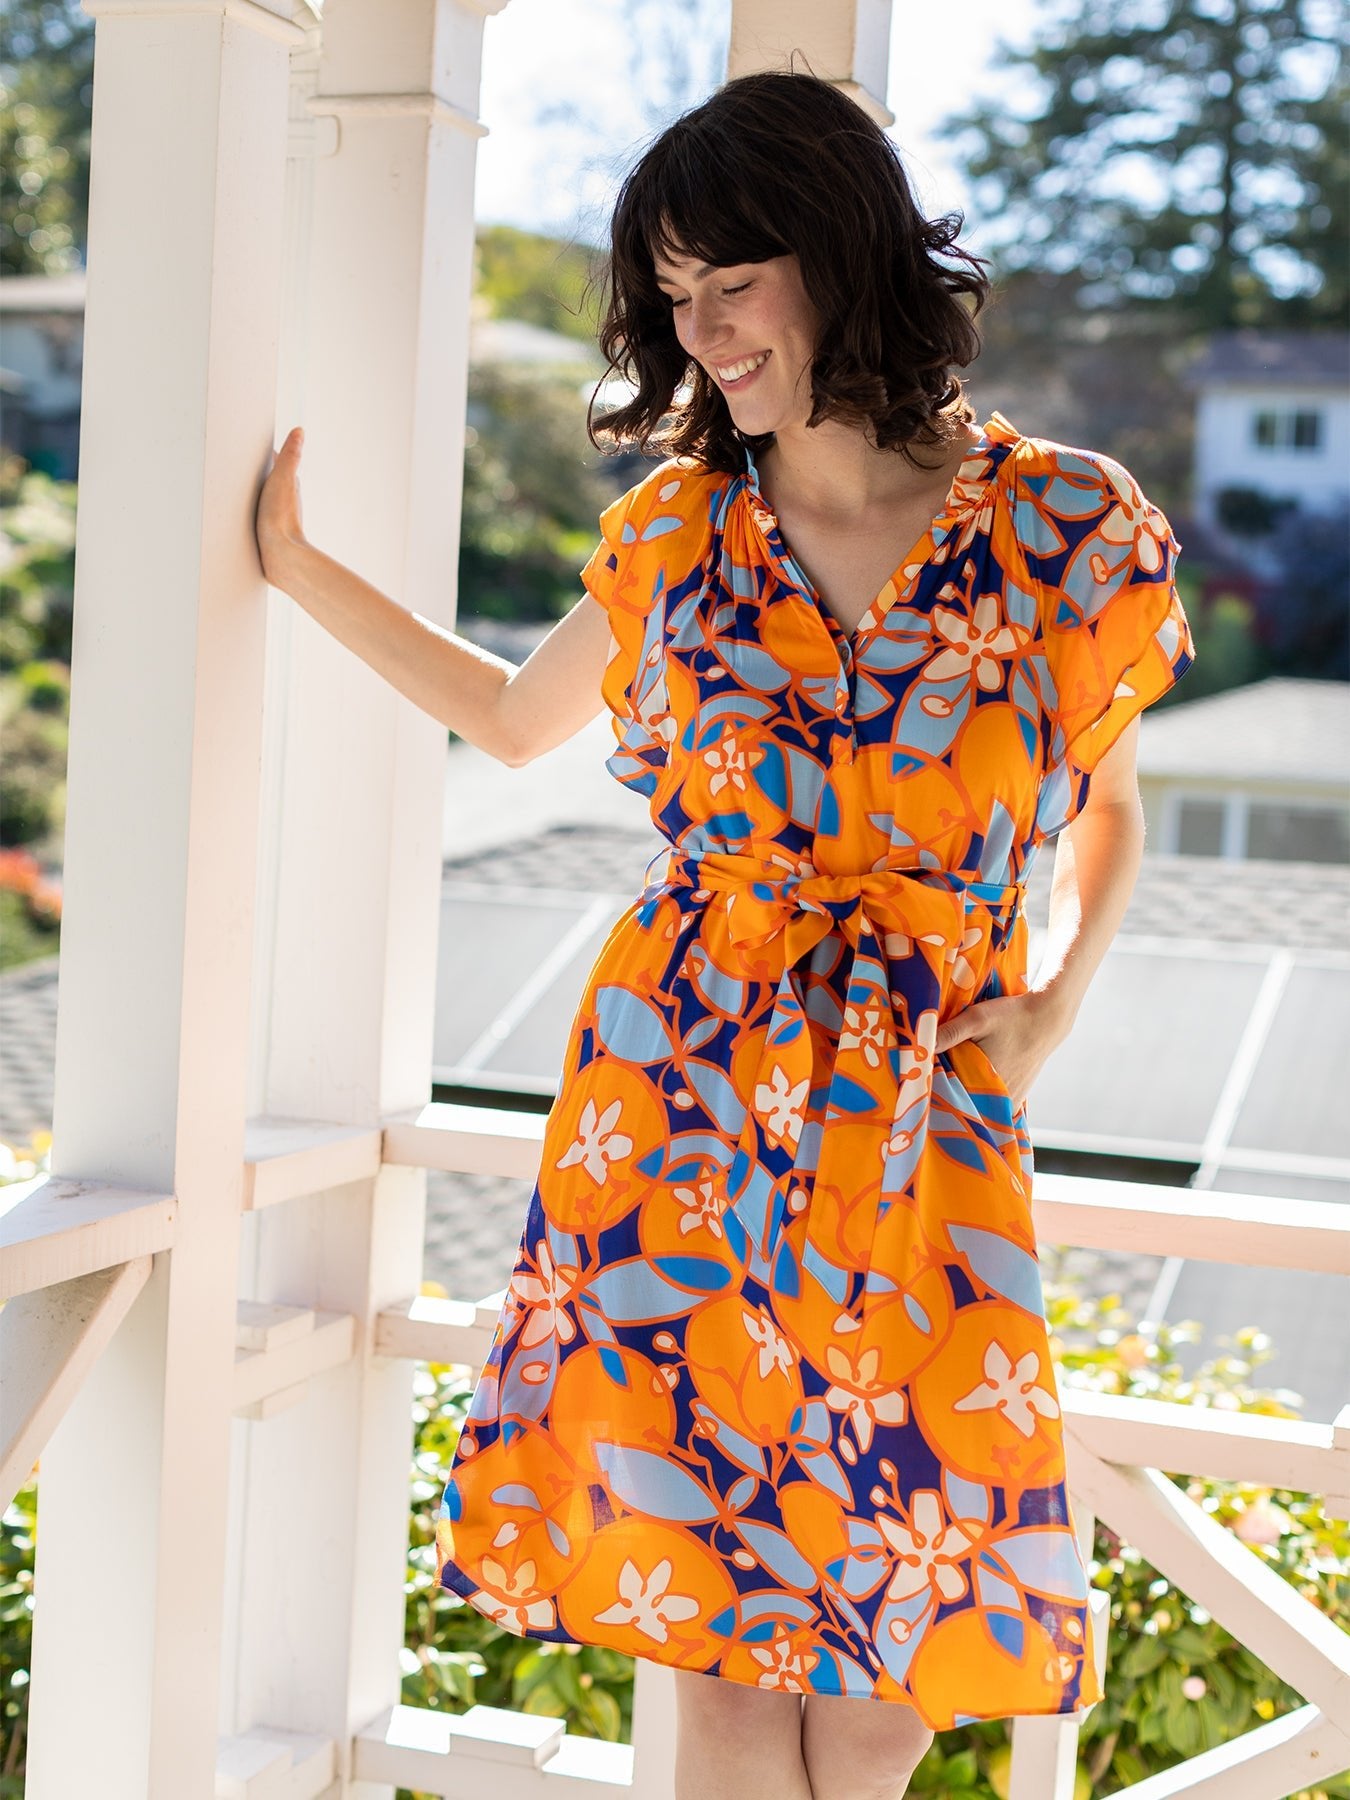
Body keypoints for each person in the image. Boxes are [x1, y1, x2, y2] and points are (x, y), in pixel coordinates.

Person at [256, 67, 1195, 1800]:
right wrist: (299, 570)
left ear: (835, 253)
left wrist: (1051, 1005)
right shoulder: (681, 535)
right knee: (722, 1646)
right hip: (677, 1106)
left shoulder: (1065, 533)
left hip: (921, 1136)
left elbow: (1113, 810)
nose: (702, 333)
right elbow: (508, 719)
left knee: (900, 1660)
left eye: (728, 283)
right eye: (671, 301)